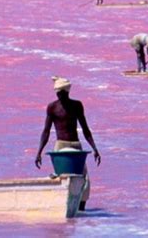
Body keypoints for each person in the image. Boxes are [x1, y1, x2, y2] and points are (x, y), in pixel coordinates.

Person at [35, 76, 101, 211]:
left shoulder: (77, 105)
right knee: (61, 178)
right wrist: (39, 152)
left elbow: (85, 128)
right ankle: (61, 208)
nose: (60, 96)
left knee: (84, 179)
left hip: (76, 145)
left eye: (62, 93)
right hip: (60, 146)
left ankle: (81, 211)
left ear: (67, 92)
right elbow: (46, 131)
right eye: (58, 93)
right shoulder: (52, 107)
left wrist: (94, 148)